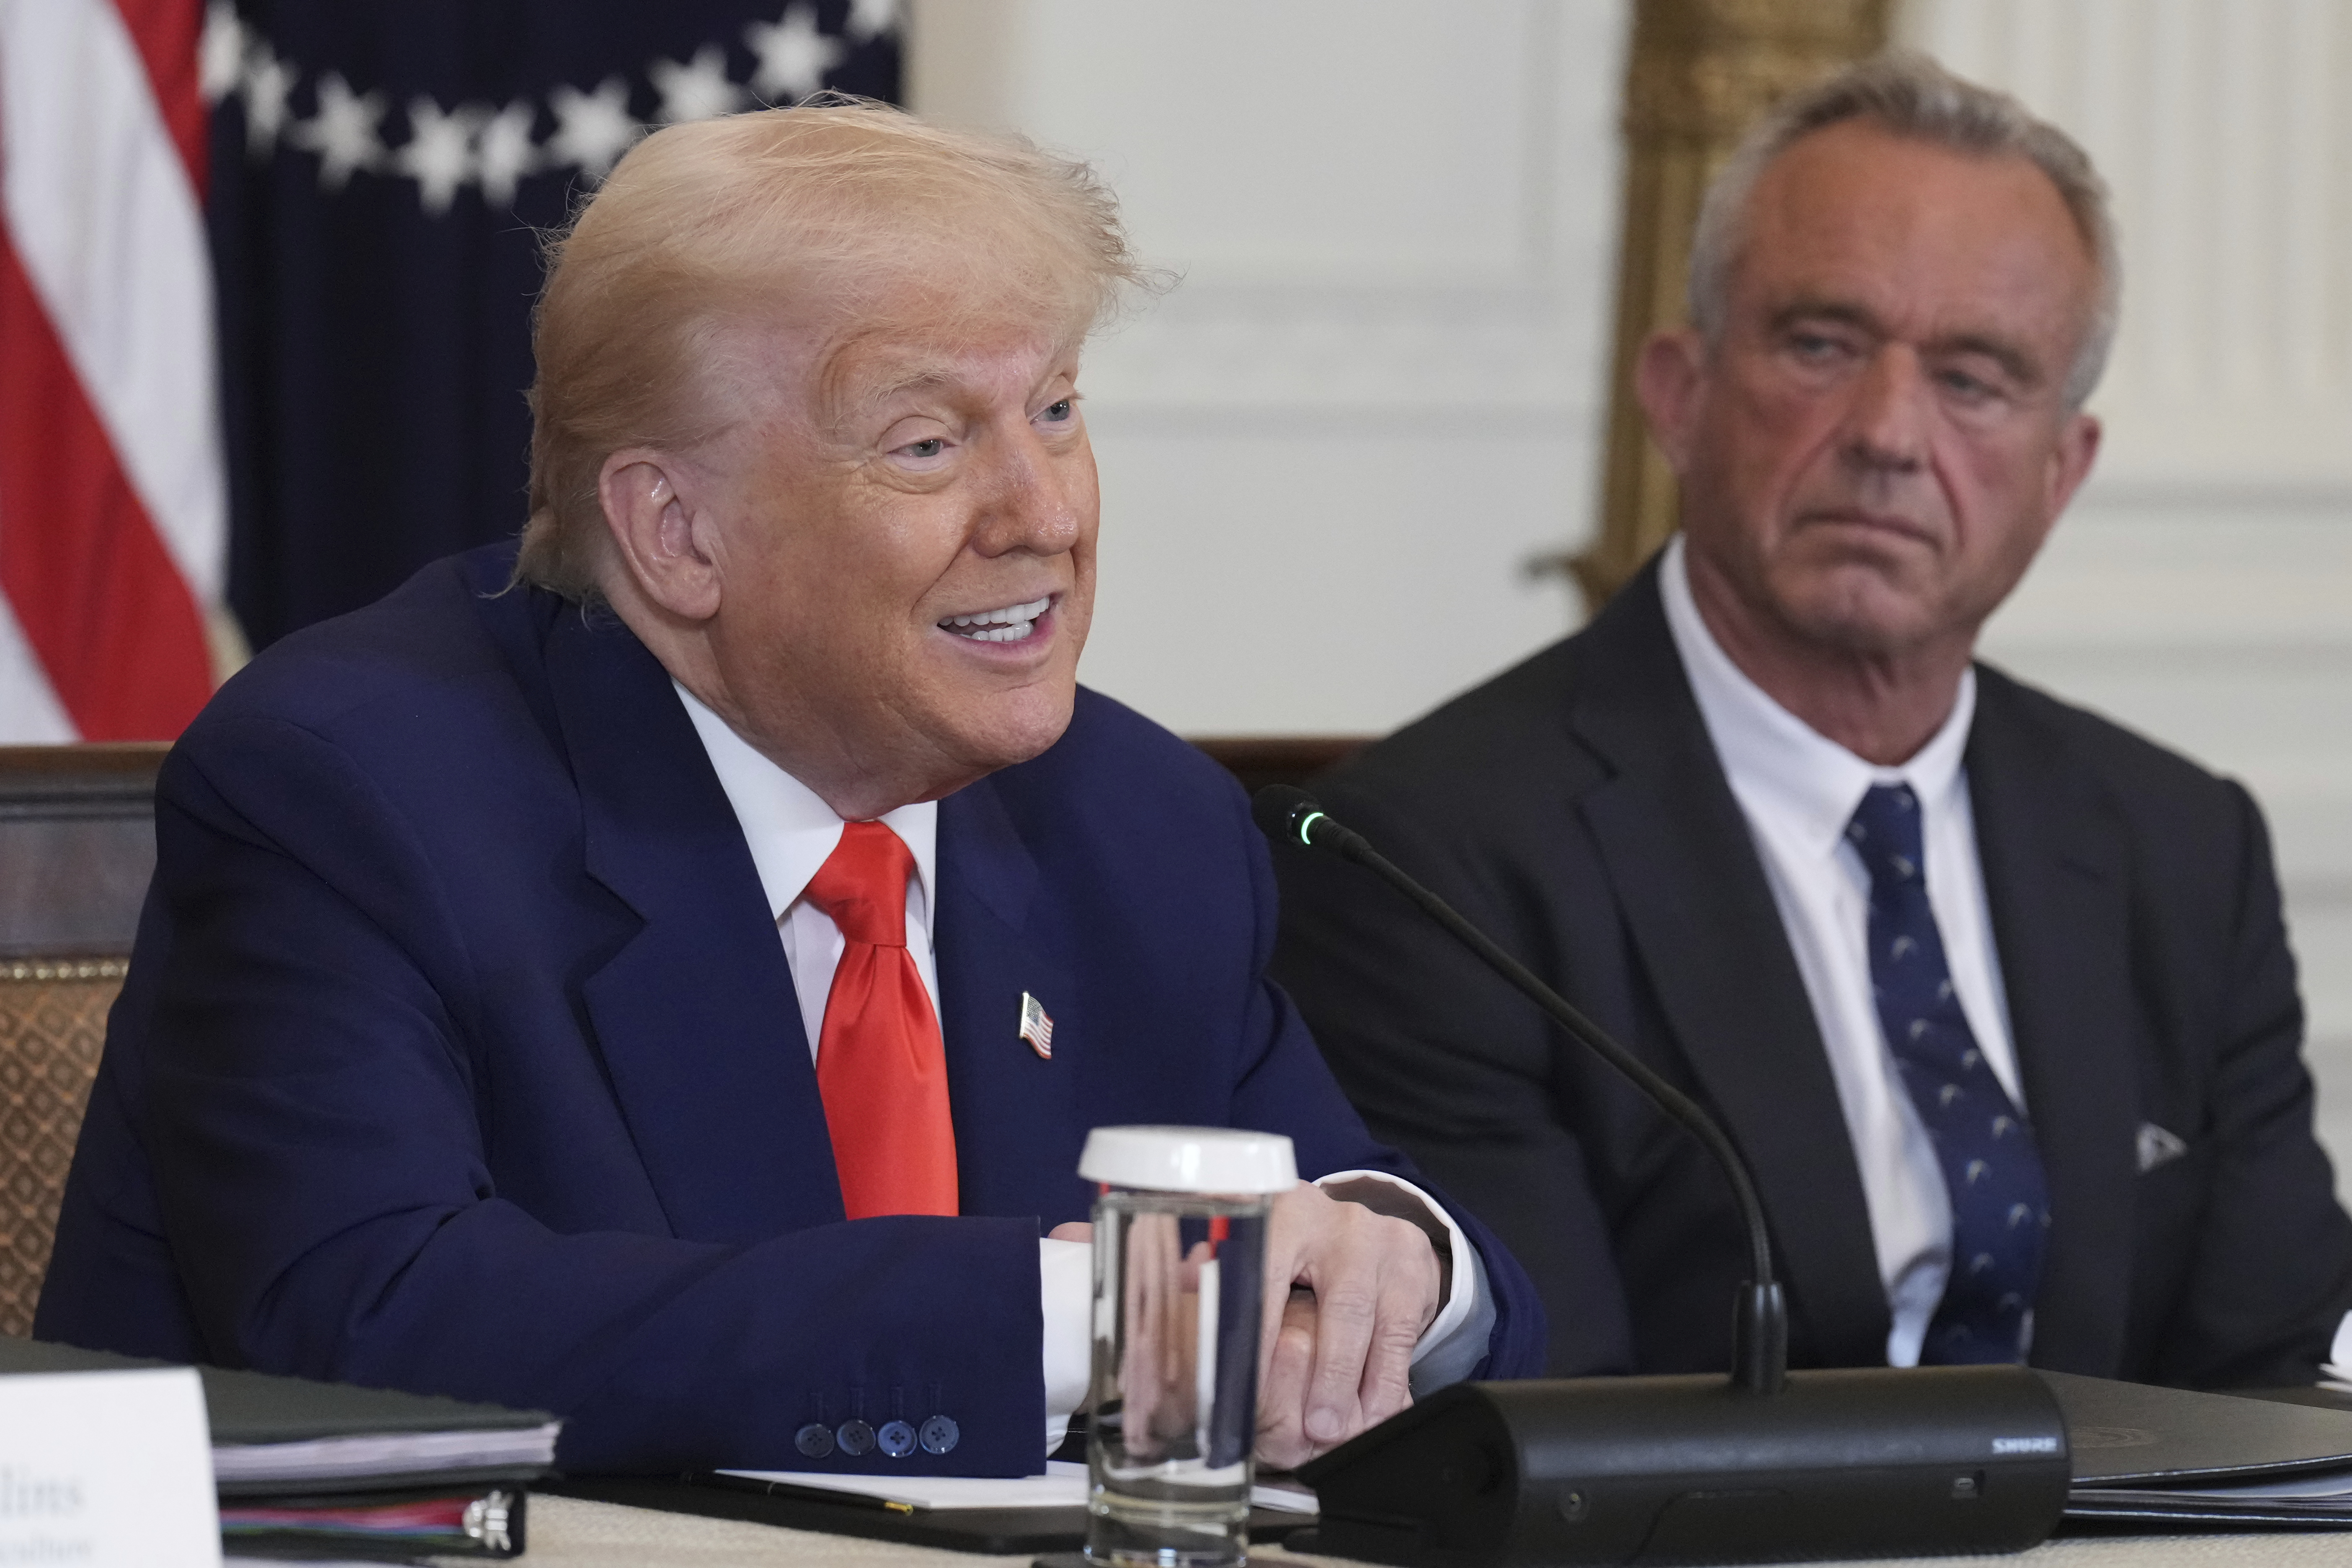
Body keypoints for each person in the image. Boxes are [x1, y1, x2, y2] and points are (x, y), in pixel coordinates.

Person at [34, 104, 1543, 1474]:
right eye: (929, 441)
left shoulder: (1141, 824)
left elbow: (1406, 1244)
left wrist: (1395, 1263)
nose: (1043, 513)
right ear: (676, 534)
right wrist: (1104, 1302)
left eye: (1062, 411)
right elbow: (375, 1318)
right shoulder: (355, 789)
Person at [1271, 54, 2352, 1388]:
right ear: (1676, 392)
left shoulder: (2179, 847)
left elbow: (2270, 1373)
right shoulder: (1440, 862)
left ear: (2062, 470)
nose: (1890, 433)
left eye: (1976, 377)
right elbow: (1549, 1422)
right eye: (1823, 344)